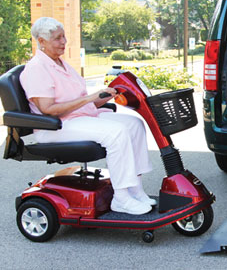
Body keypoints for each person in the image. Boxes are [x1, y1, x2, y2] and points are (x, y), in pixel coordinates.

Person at [20, 17, 156, 215]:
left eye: (64, 36)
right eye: (57, 38)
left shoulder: (61, 64)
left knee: (134, 124)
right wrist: (88, 99)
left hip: (81, 117)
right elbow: (48, 108)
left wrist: (105, 94)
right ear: (41, 41)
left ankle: (135, 189)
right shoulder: (36, 69)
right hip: (56, 126)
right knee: (116, 132)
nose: (64, 41)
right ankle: (121, 197)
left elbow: (83, 99)